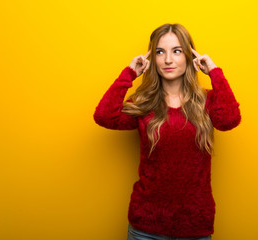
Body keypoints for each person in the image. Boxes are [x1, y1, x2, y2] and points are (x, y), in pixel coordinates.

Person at [93, 23, 241, 240]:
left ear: (190, 57)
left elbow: (229, 120)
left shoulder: (207, 102)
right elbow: (105, 116)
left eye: (177, 51)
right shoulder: (143, 104)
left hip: (194, 227)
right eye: (160, 52)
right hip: (146, 227)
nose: (168, 60)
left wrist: (215, 72)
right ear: (152, 59)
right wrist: (130, 73)